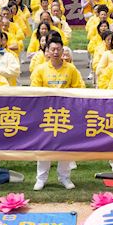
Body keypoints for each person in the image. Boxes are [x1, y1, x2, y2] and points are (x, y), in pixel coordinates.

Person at [28, 37, 84, 190]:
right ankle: (41, 179)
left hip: (65, 114)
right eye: (52, 49)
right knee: (44, 146)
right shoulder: (40, 69)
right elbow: (34, 91)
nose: (55, 52)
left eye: (58, 49)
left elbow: (79, 88)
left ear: (62, 50)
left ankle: (64, 177)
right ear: (47, 51)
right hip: (46, 114)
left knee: (64, 147)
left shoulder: (71, 69)